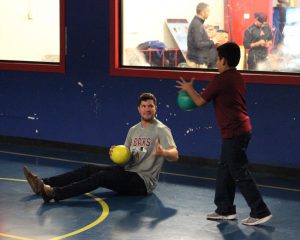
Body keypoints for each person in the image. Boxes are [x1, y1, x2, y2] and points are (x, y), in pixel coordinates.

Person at [175, 42, 272, 226]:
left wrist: (189, 89)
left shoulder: (221, 79)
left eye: (218, 59)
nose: (216, 62)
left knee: (238, 171)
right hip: (240, 130)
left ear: (224, 60)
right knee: (225, 169)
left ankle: (260, 211)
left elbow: (200, 102)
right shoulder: (237, 77)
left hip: (234, 132)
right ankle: (225, 209)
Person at [23, 93, 179, 202]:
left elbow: (175, 154)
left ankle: (54, 193)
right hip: (127, 172)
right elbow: (126, 158)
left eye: (150, 106)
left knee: (101, 176)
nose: (147, 109)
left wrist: (164, 152)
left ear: (155, 108)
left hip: (143, 182)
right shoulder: (133, 129)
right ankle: (42, 183)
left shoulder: (161, 130)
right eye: (144, 106)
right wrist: (116, 154)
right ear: (138, 109)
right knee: (88, 169)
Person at [186, 2, 219, 69]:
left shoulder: (197, 23)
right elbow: (198, 44)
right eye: (208, 11)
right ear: (202, 12)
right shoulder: (197, 25)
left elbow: (198, 40)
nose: (209, 13)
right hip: (197, 62)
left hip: (198, 60)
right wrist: (213, 41)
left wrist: (208, 37)